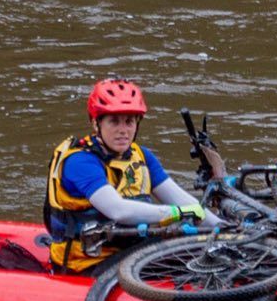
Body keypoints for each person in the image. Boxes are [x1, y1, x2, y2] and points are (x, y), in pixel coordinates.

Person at [44, 78, 221, 275]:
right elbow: (118, 211)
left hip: (130, 250)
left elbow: (183, 200)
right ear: (96, 123)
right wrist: (176, 213)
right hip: (88, 264)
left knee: (210, 253)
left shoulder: (142, 156)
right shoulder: (80, 162)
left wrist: (224, 229)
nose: (123, 130)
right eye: (114, 121)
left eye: (129, 121)